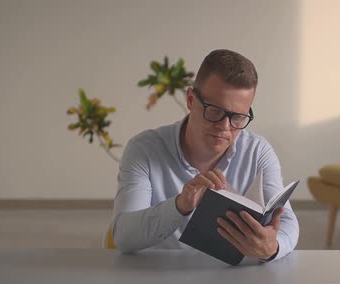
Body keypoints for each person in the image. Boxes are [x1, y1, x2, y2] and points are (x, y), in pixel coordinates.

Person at [112, 49, 299, 262]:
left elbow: (287, 222)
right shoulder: (143, 150)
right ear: (191, 100)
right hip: (159, 277)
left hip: (233, 280)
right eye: (215, 111)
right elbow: (124, 236)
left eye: (237, 117)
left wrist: (273, 247)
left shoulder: (258, 152)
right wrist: (180, 205)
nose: (224, 127)